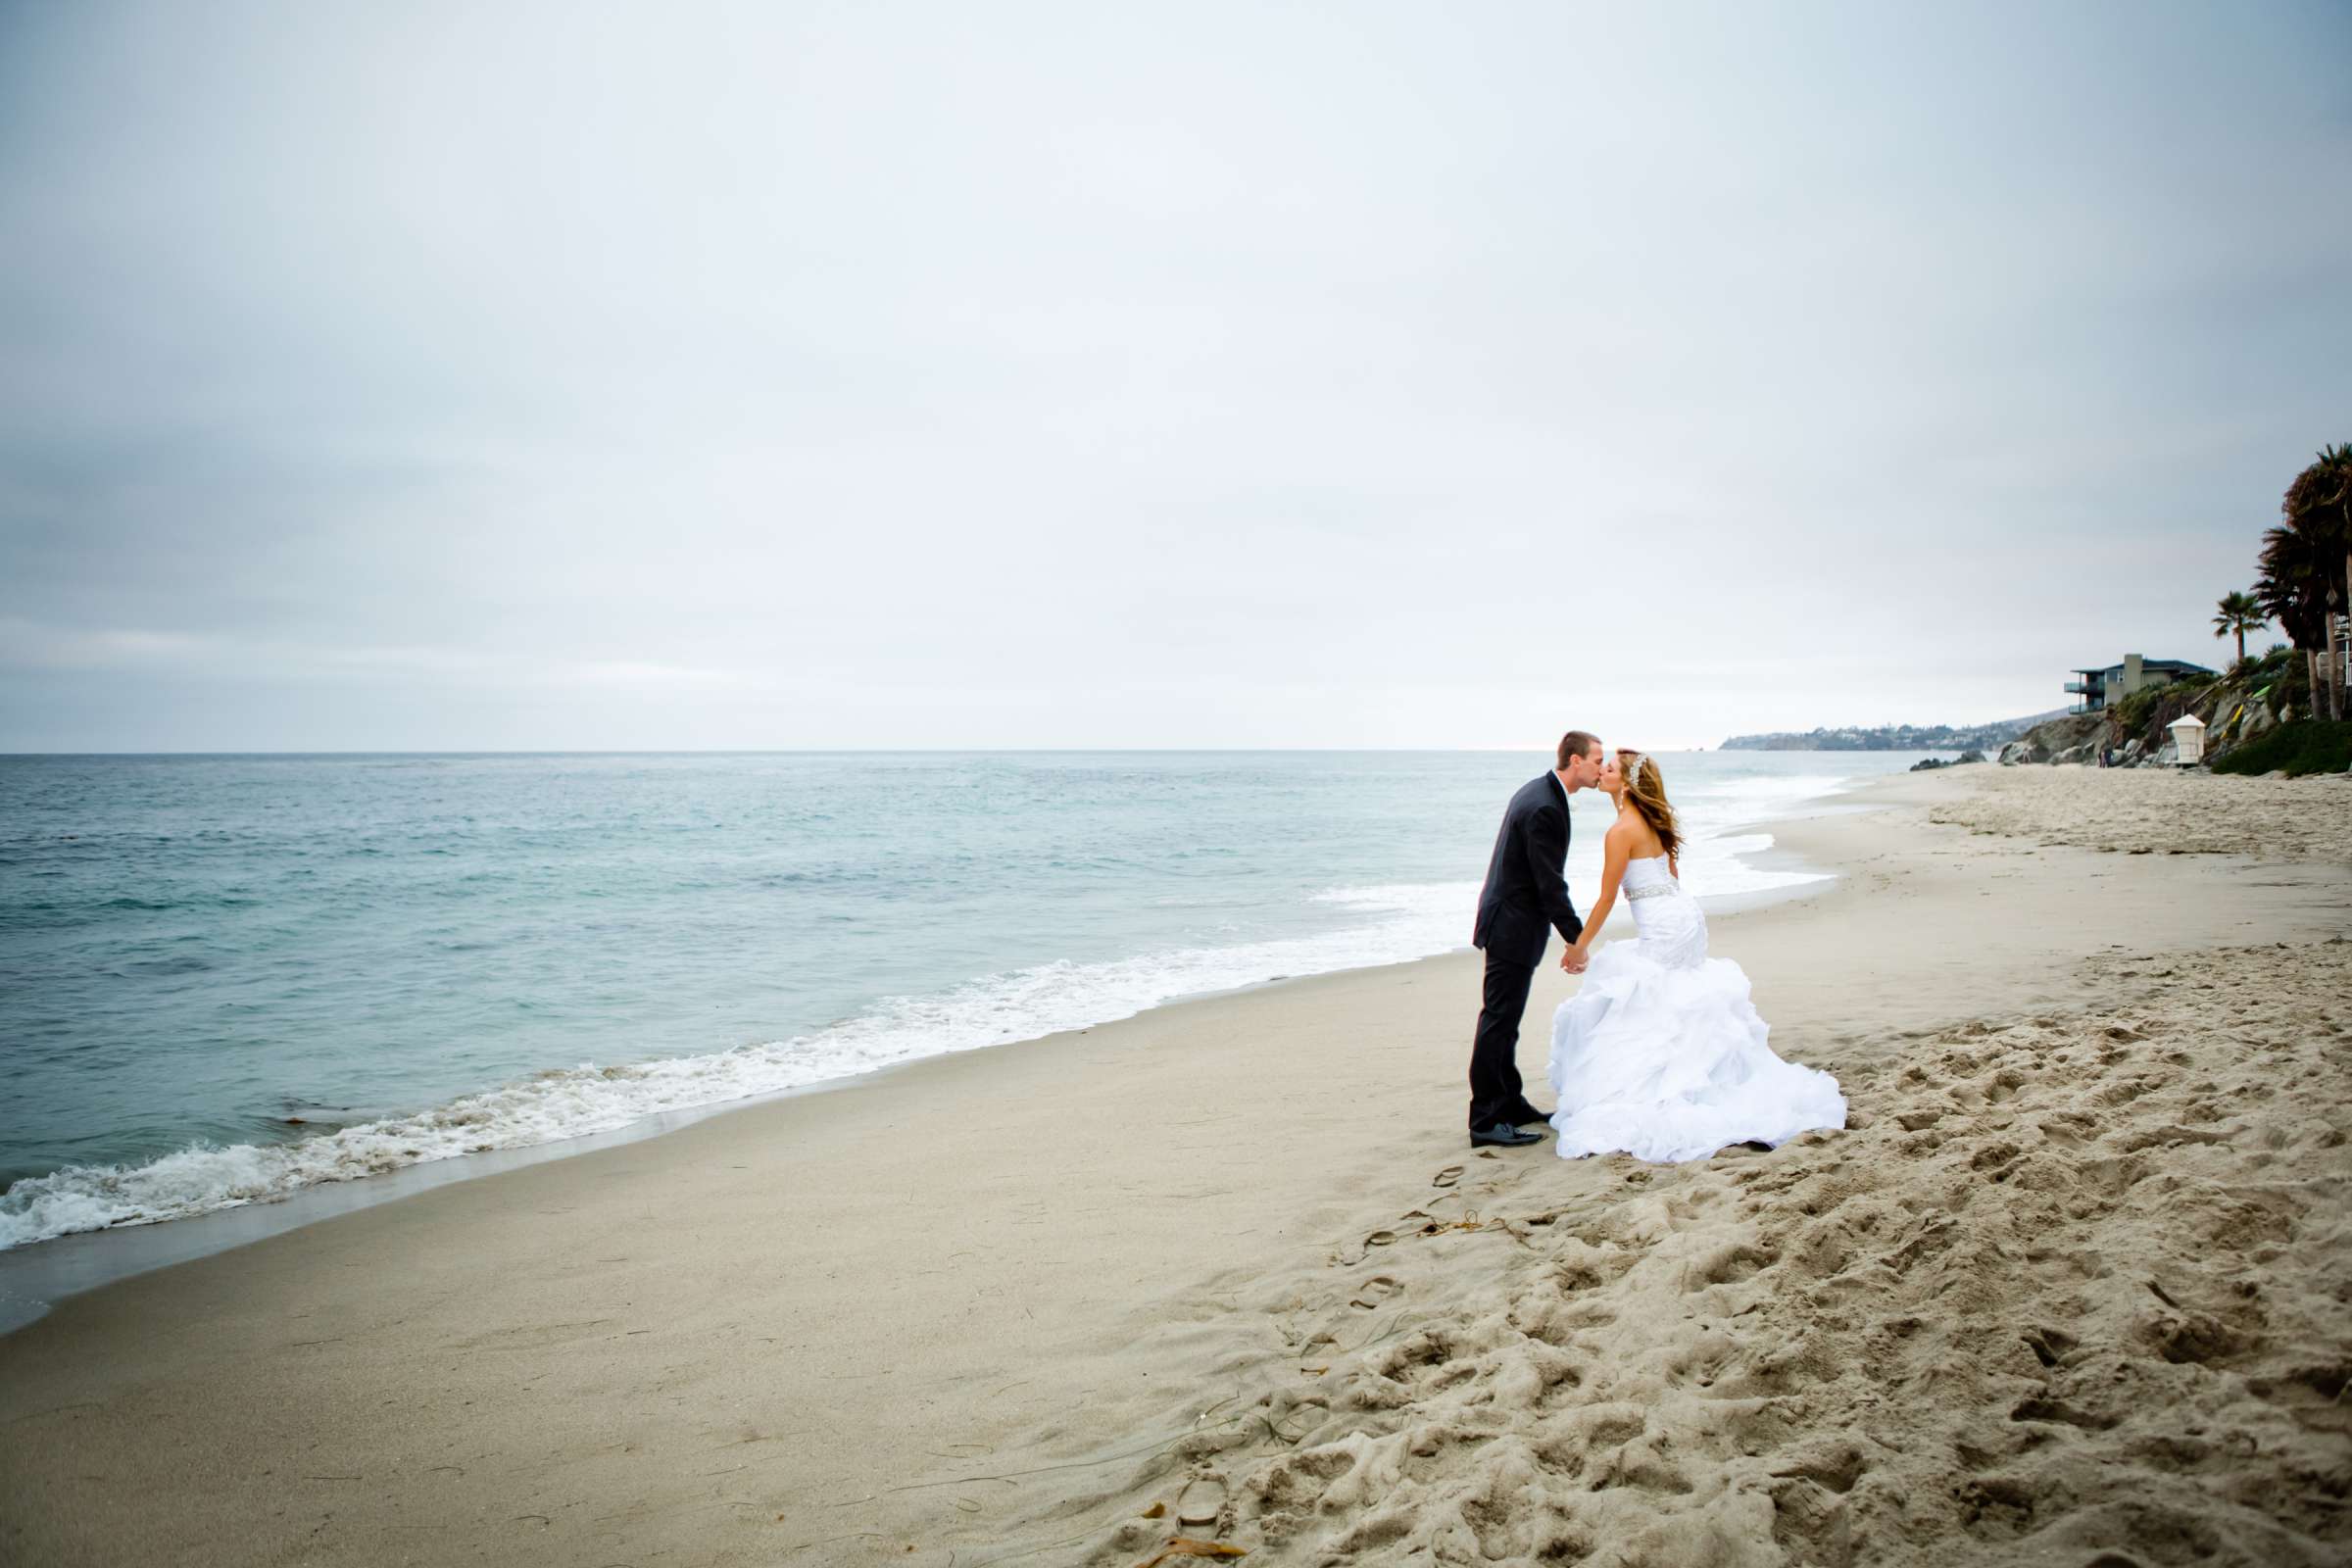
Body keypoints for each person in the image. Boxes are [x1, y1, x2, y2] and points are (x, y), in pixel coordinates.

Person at [1545, 750, 1845, 1161]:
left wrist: (1579, 945)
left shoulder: (1620, 831)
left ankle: (1669, 1086)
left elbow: (1607, 897)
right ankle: (1704, 1071)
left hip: (1665, 924)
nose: (1602, 772)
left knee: (1651, 995)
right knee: (1677, 988)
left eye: (1610, 768)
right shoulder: (1656, 821)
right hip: (1684, 915)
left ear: (1628, 783)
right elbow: (1670, 878)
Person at [1465, 729, 1604, 1148]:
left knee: (1506, 1022)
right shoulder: (1544, 805)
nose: (1602, 767)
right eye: (1598, 759)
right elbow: (1549, 884)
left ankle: (1509, 1102)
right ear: (1575, 760)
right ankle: (1486, 1119)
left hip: (1513, 921)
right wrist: (1576, 940)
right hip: (1511, 926)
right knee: (1499, 1021)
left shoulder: (1542, 792)